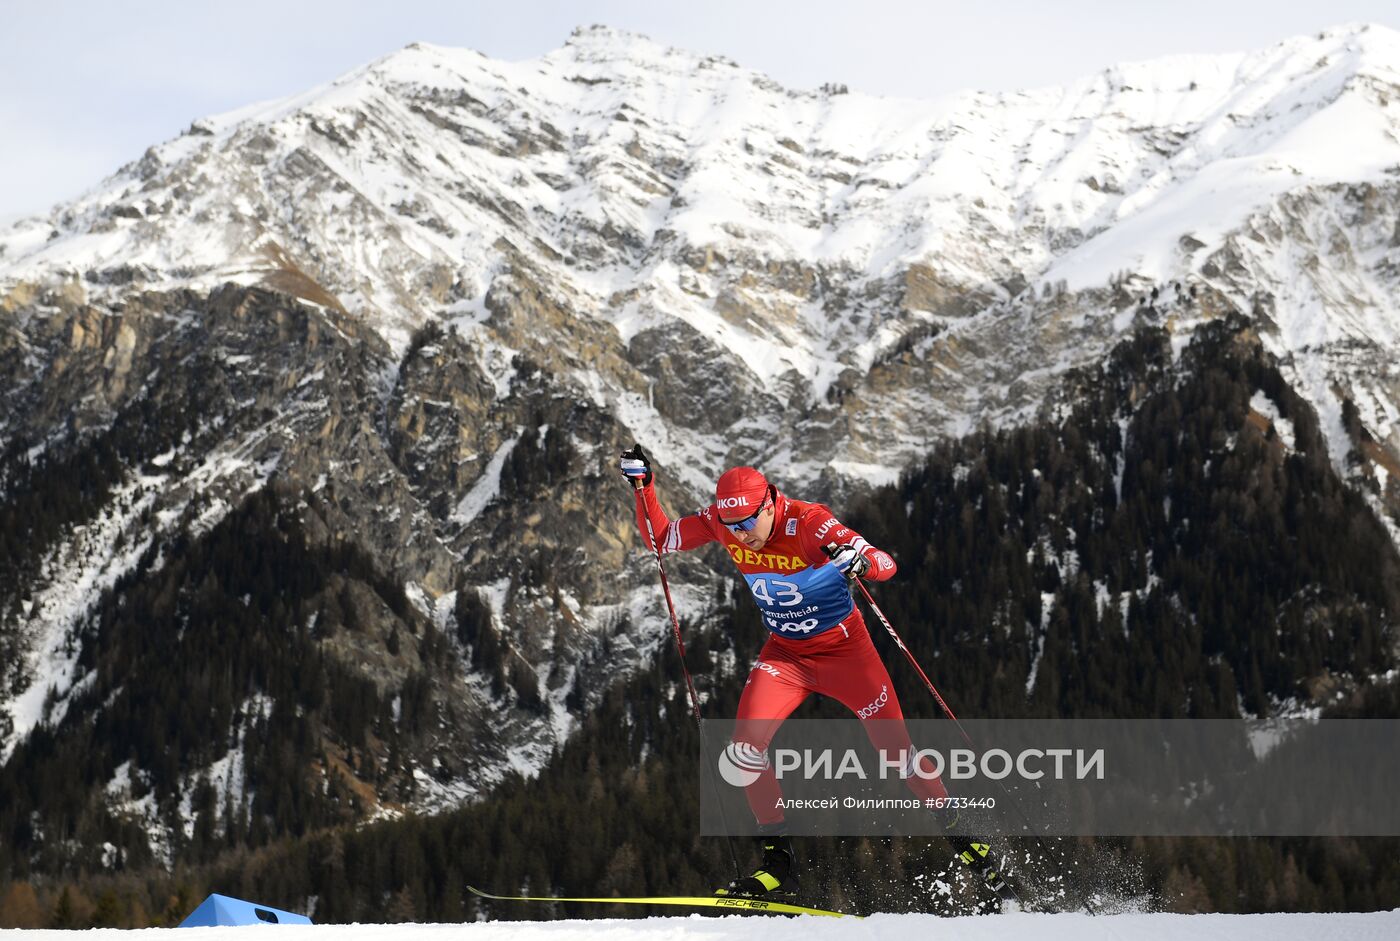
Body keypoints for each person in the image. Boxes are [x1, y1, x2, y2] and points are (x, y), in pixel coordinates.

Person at [619, 444, 1008, 900]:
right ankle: (779, 865)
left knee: (898, 754)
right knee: (745, 749)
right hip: (786, 655)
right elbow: (662, 539)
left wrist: (861, 561)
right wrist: (644, 488)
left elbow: (886, 564)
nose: (741, 535)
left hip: (846, 654)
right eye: (731, 527)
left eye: (748, 523)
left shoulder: (809, 522)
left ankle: (965, 838)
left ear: (770, 503)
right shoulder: (727, 523)